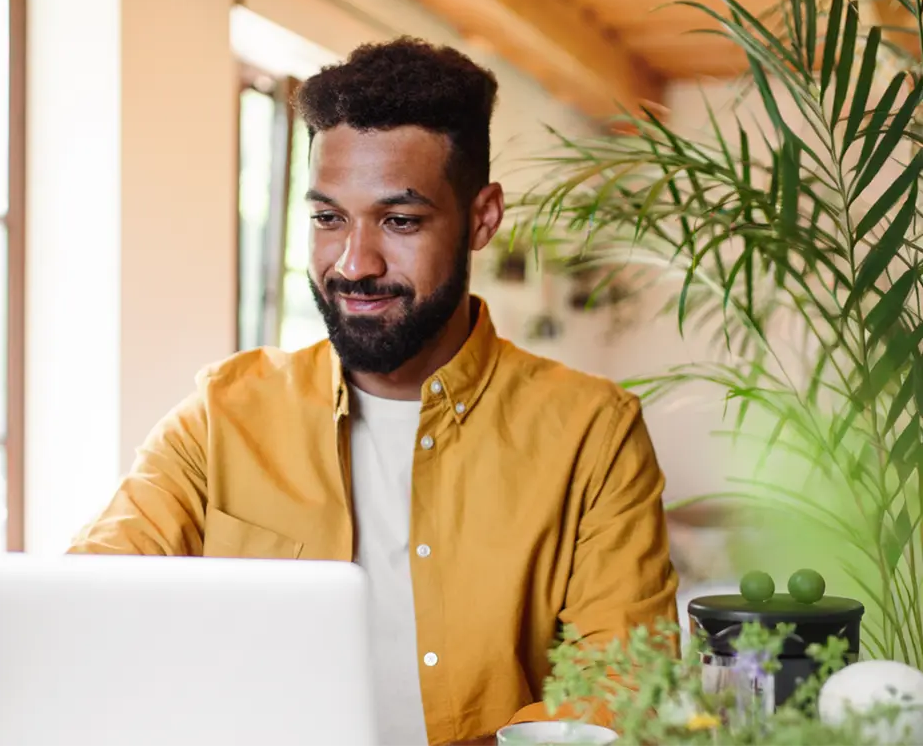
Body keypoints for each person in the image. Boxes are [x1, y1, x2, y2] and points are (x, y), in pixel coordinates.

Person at [70, 37, 679, 746]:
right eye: (329, 218)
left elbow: (621, 689)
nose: (354, 263)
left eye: (400, 220)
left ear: (482, 218)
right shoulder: (221, 414)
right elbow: (90, 608)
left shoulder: (592, 433)